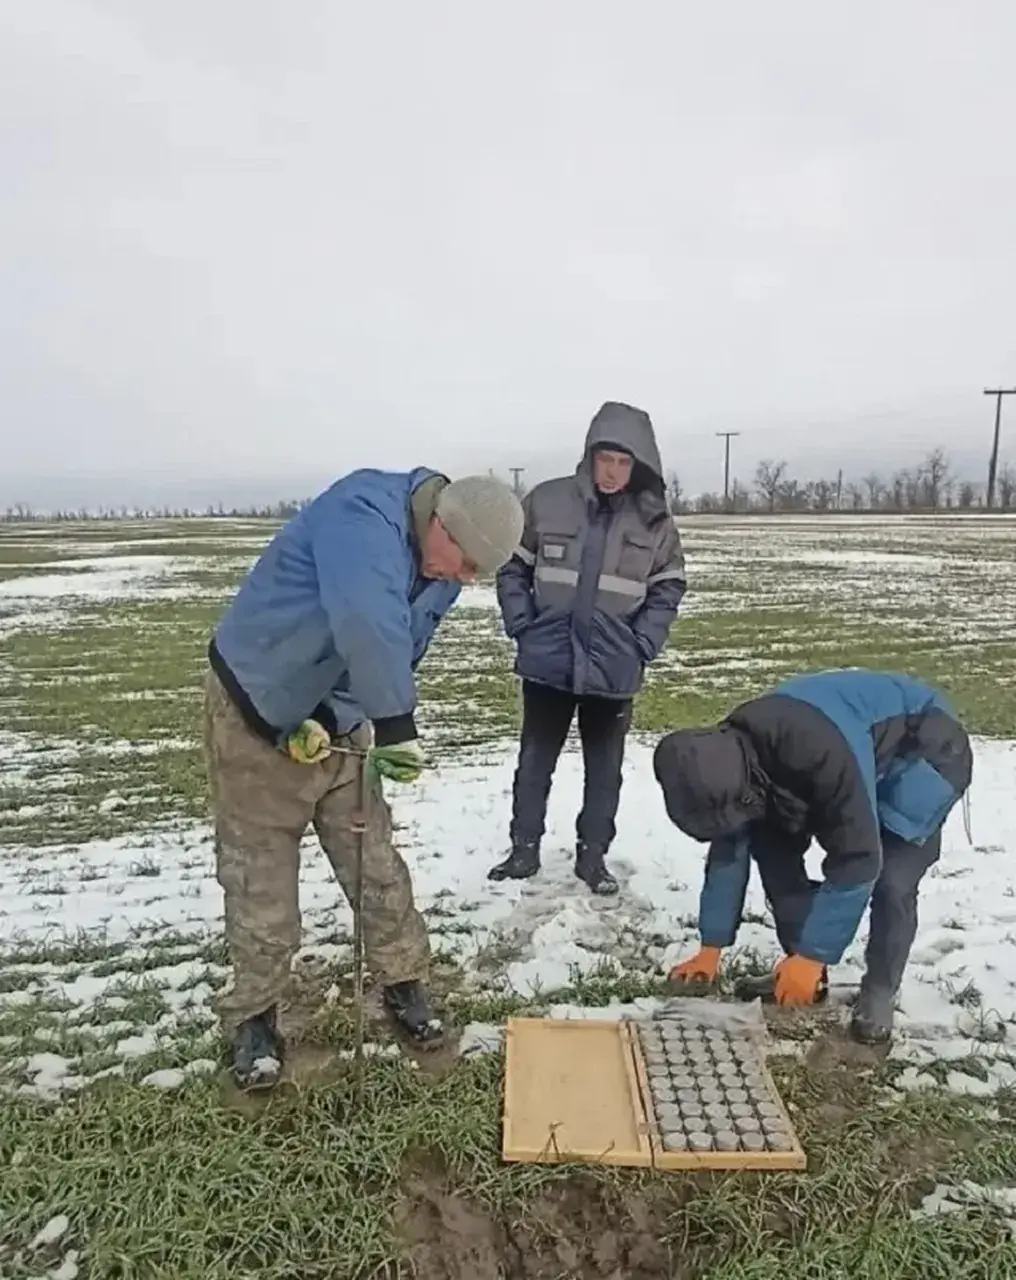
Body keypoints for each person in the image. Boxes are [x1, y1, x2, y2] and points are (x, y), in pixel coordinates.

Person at [204, 467, 524, 1088]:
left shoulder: (443, 566)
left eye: (477, 573)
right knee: (260, 876)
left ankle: (404, 982)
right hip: (256, 706)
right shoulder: (361, 517)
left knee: (373, 858)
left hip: (340, 716)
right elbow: (366, 621)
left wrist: (335, 717)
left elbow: (401, 648)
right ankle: (254, 1018)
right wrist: (396, 726)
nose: (464, 580)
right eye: (465, 564)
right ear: (442, 524)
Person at [653, 668, 973, 1045]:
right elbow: (730, 850)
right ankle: (802, 973)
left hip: (922, 750)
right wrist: (711, 947)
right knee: (773, 852)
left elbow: (858, 859)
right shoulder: (726, 760)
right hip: (838, 751)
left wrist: (815, 953)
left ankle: (878, 992)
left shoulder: (819, 755)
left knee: (892, 879)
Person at [492, 401, 686, 896]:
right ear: (590, 455)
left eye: (624, 462)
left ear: (639, 465)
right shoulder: (546, 500)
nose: (613, 471)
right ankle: (523, 850)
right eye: (606, 459)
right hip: (548, 659)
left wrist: (642, 643)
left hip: (613, 666)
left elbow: (669, 586)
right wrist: (523, 625)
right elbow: (512, 567)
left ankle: (593, 857)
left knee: (604, 771)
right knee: (534, 761)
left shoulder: (655, 521)